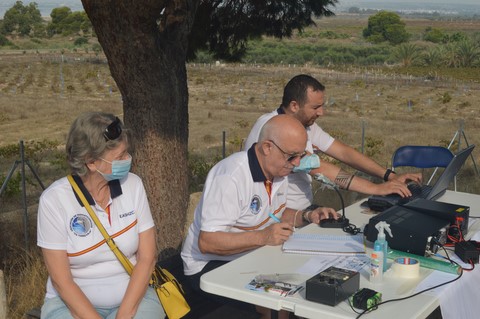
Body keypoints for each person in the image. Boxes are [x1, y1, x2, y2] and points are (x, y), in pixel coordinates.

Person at [181, 115, 338, 319]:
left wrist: (307, 215)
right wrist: (263, 237)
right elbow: (208, 242)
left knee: (305, 283)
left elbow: (275, 213)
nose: (297, 163)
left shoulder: (278, 170)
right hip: (208, 264)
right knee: (275, 301)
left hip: (248, 254)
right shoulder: (231, 177)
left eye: (301, 155)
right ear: (266, 147)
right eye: (292, 156)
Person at [37, 112, 164, 319]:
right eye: (120, 156)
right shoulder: (54, 201)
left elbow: (147, 258)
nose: (128, 160)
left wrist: (124, 315)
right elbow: (62, 281)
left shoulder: (133, 185)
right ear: (91, 162)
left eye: (127, 153)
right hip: (69, 306)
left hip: (133, 300)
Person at [243, 74, 422, 210]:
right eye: (315, 107)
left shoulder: (304, 125)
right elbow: (322, 169)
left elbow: (344, 152)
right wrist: (377, 189)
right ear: (294, 105)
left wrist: (389, 176)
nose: (322, 112)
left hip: (302, 211)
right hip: (278, 217)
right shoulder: (271, 128)